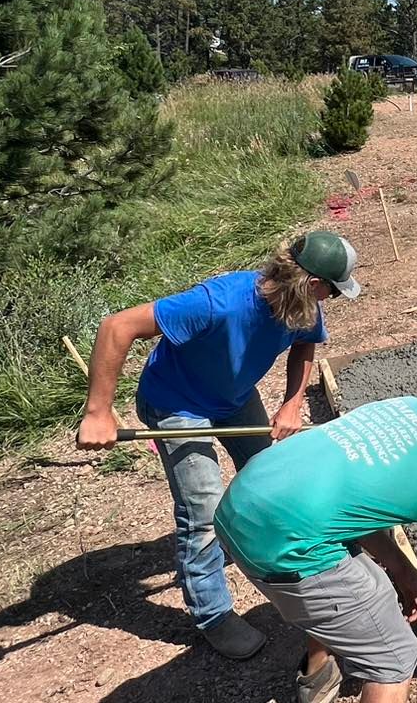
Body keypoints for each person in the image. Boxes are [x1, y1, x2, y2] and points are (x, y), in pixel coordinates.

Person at [75, 230, 361, 659]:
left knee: (273, 477)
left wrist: (291, 404)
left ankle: (285, 553)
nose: (330, 303)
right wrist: (98, 411)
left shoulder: (301, 308)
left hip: (233, 395)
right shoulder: (217, 302)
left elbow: (304, 347)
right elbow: (117, 326)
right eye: (332, 293)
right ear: (312, 283)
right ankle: (213, 615)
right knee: (203, 509)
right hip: (177, 402)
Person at [215, 385, 417, 703]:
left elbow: (352, 507)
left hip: (240, 501)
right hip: (279, 543)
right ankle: (334, 676)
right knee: (397, 658)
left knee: (369, 589)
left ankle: (316, 677)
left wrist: (402, 568)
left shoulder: (407, 406)